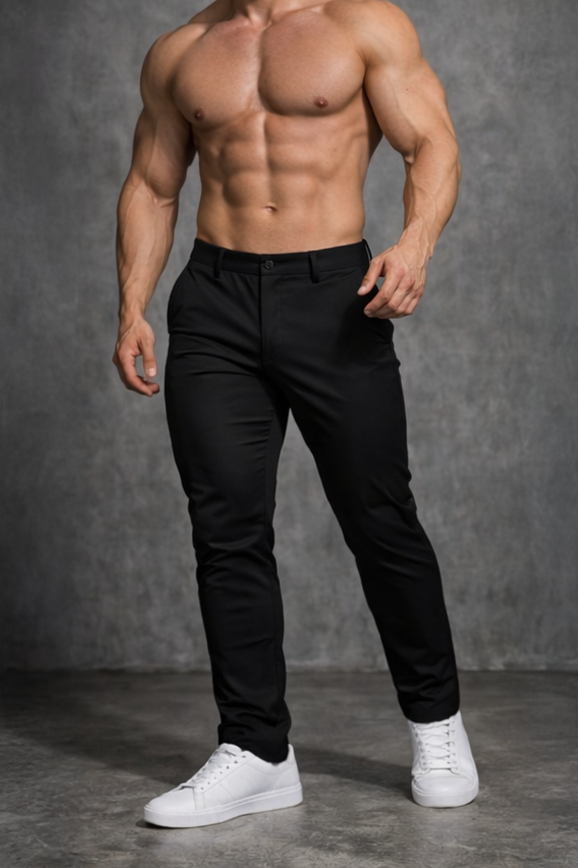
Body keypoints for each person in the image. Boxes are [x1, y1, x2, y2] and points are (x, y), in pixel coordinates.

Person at [113, 0, 479, 828]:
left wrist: (416, 243)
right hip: (214, 302)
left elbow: (432, 142)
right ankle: (257, 750)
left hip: (335, 297)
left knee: (380, 518)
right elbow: (152, 184)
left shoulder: (362, 25)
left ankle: (437, 725)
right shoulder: (181, 49)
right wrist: (132, 306)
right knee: (225, 528)